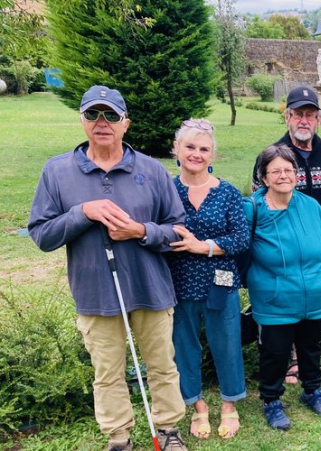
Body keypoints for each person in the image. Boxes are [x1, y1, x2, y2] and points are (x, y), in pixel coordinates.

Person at [28, 86, 188, 451]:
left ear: (125, 123)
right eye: (93, 115)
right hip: (95, 292)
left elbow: (177, 231)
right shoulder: (57, 172)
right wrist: (82, 213)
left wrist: (140, 231)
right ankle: (119, 437)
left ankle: (168, 430)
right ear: (82, 121)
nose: (102, 123)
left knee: (162, 365)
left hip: (151, 288)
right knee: (108, 372)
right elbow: (42, 234)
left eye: (111, 115)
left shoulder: (151, 169)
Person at [251, 86, 321, 383]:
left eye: (310, 115)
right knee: (292, 299)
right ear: (287, 117)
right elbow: (258, 200)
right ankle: (296, 359)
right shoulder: (272, 156)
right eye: (298, 114)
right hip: (283, 248)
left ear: (318, 120)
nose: (304, 120)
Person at [166, 119, 248, 440]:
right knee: (184, 344)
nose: (196, 154)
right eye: (190, 146)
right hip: (178, 279)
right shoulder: (167, 190)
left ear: (213, 154)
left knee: (226, 342)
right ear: (177, 149)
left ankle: (229, 404)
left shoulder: (226, 192)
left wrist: (206, 246)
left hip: (221, 278)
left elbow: (241, 238)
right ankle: (197, 405)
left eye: (204, 148)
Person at [247, 144, 321, 431]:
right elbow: (240, 251)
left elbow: (320, 240)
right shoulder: (253, 210)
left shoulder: (311, 206)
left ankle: (313, 390)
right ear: (263, 177)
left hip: (314, 292)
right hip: (275, 298)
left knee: (311, 347)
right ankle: (271, 400)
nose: (284, 175)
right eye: (276, 171)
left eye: (289, 169)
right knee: (275, 352)